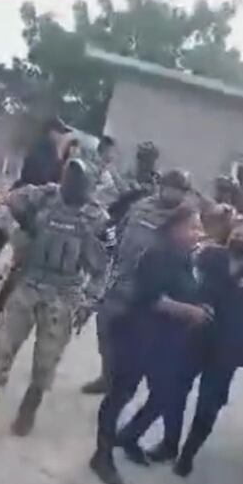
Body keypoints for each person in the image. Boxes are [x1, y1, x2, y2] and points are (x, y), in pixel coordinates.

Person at [117, 217, 243, 476]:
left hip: (229, 346)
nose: (240, 239)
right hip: (195, 335)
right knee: (173, 391)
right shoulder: (210, 256)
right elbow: (184, 274)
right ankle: (168, 445)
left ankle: (187, 456)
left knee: (209, 403)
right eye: (237, 234)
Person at [0, 159, 108, 442]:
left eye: (79, 180)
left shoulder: (96, 218)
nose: (72, 184)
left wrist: (89, 301)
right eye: (69, 176)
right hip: (27, 284)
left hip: (64, 294)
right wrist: (17, 233)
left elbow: (102, 267)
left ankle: (30, 404)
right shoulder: (42, 196)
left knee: (46, 360)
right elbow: (5, 205)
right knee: (2, 350)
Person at [89, 206, 211, 484]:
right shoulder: (157, 254)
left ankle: (129, 436)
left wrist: (199, 305)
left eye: (199, 228)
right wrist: (189, 311)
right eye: (193, 227)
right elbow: (151, 299)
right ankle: (101, 454)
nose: (199, 233)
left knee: (166, 394)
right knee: (120, 395)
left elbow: (185, 290)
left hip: (167, 342)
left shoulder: (185, 257)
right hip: (139, 335)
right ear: (176, 227)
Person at [80, 167, 191, 396]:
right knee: (105, 329)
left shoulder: (185, 220)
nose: (171, 193)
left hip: (149, 290)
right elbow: (118, 232)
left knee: (133, 341)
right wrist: (109, 254)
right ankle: (107, 376)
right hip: (120, 279)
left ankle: (122, 385)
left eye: (178, 190)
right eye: (169, 187)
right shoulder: (141, 207)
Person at [0, 116, 72, 279]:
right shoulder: (44, 148)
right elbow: (38, 174)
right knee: (9, 230)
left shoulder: (50, 149)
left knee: (8, 229)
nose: (62, 136)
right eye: (60, 132)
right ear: (51, 132)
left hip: (30, 193)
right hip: (28, 194)